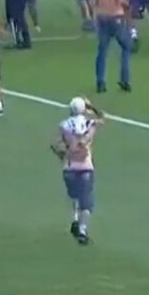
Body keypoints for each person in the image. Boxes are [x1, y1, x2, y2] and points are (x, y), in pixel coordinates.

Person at [51, 96, 103, 245]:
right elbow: (102, 118)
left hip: (69, 168)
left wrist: (62, 155)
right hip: (85, 168)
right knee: (86, 202)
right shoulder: (89, 123)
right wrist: (92, 107)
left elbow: (54, 144)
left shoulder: (64, 125)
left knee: (74, 196)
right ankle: (82, 230)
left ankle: (74, 220)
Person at [92, 0, 132, 94]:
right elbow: (121, 0)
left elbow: (95, 2)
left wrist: (94, 19)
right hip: (116, 17)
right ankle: (125, 80)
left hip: (102, 17)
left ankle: (100, 82)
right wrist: (129, 8)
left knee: (102, 51)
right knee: (126, 47)